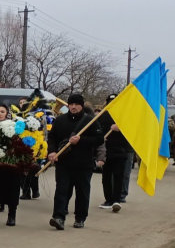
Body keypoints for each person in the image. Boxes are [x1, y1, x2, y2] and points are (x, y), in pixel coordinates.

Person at [47, 93, 104, 230]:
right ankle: (59, 217)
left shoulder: (90, 121)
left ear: (81, 106)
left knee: (82, 192)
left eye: (76, 105)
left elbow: (99, 139)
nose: (73, 107)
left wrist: (81, 140)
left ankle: (80, 218)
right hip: (64, 163)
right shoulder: (60, 120)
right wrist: (52, 151)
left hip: (83, 164)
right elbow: (52, 137)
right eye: (71, 104)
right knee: (61, 190)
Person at [97, 94, 132, 211]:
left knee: (119, 176)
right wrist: (103, 135)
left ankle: (117, 200)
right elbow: (97, 130)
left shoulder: (125, 116)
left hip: (121, 151)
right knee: (106, 177)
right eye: (110, 101)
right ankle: (108, 199)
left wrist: (121, 128)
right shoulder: (103, 115)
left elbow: (132, 133)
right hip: (107, 151)